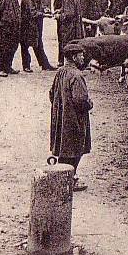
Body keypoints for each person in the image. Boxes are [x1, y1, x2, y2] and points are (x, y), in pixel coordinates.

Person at [49, 42, 93, 191]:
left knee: (64, 148)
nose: (83, 58)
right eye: (81, 55)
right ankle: (68, 179)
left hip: (61, 118)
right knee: (75, 149)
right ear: (74, 57)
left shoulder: (60, 72)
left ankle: (62, 176)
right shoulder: (76, 75)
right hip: (74, 120)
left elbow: (51, 93)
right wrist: (89, 104)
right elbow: (81, 100)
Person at [20, 0, 56, 73]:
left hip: (36, 24)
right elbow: (32, 13)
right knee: (25, 45)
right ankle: (26, 65)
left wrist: (45, 9)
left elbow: (38, 8)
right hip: (27, 25)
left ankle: (45, 64)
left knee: (38, 44)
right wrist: (44, 14)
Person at [55, 0, 84, 66]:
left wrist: (59, 16)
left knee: (68, 44)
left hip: (70, 26)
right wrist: (60, 10)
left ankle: (69, 63)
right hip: (76, 25)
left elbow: (69, 14)